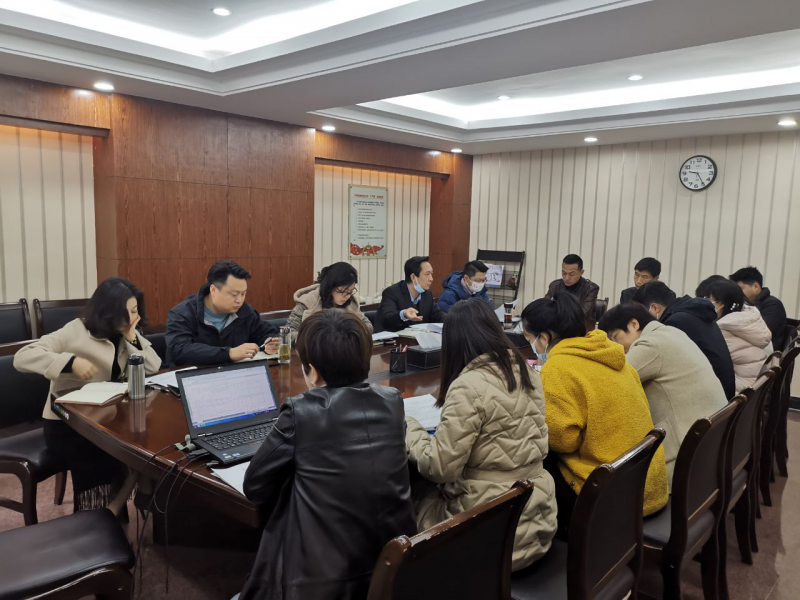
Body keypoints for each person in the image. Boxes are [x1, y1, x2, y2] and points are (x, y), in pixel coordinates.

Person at [240, 310, 415, 600]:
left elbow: (255, 487)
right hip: (392, 566)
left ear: (313, 371)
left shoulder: (301, 411)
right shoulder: (392, 401)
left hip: (322, 579)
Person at [405, 299, 557, 570]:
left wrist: (410, 429)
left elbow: (439, 468)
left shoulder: (468, 385)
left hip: (490, 534)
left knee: (407, 501)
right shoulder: (527, 373)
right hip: (536, 523)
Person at [521, 293, 668, 535]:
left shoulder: (558, 367)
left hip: (609, 494)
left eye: (529, 338)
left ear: (544, 338)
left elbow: (563, 441)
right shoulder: (613, 355)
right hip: (647, 484)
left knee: (532, 464)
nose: (532, 346)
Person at [14, 278, 161, 511]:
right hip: (69, 424)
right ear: (107, 311)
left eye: (135, 311)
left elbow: (153, 366)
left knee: (144, 445)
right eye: (126, 312)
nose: (132, 318)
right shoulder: (77, 330)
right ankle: (105, 512)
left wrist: (133, 338)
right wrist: (70, 362)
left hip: (109, 419)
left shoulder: (127, 334)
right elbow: (23, 356)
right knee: (114, 453)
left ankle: (121, 506)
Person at [599, 303, 728, 485]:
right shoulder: (672, 333)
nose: (615, 345)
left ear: (634, 324)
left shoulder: (651, 344)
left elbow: (609, 381)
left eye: (615, 337)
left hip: (686, 457)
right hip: (711, 444)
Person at [633, 281, 736, 399]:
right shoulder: (694, 312)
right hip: (723, 395)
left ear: (655, 308)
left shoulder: (675, 322)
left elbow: (660, 363)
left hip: (710, 398)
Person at [166, 260, 279, 366]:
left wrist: (270, 343)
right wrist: (229, 353)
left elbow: (266, 333)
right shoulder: (182, 313)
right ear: (213, 290)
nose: (239, 300)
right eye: (234, 294)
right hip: (192, 376)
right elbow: (179, 350)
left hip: (234, 374)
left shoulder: (244, 310)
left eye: (243, 294)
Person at [706, 279, 773, 393]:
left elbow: (710, 362)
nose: (706, 303)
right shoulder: (748, 318)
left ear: (722, 304)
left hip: (737, 392)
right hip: (752, 388)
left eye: (710, 299)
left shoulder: (723, 328)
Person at [287, 262, 372, 343]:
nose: (348, 296)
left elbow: (368, 326)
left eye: (351, 291)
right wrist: (319, 339)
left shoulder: (351, 303)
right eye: (343, 291)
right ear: (330, 287)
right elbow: (289, 332)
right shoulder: (308, 301)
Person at [377, 256, 445, 332]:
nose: (431, 279)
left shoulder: (427, 294)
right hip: (394, 337)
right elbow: (386, 319)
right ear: (413, 277)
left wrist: (452, 320)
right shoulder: (392, 292)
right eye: (427, 274)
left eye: (431, 274)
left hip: (418, 337)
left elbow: (437, 314)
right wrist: (403, 314)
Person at [730, 266, 788, 351]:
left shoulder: (773, 305)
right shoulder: (741, 304)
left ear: (756, 286)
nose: (736, 293)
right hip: (745, 349)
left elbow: (760, 333)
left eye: (740, 288)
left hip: (764, 354)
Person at [545, 254, 600, 333]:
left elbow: (582, 314)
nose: (566, 278)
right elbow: (545, 308)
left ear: (581, 272)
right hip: (556, 330)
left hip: (580, 332)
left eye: (571, 274)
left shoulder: (591, 289)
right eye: (564, 273)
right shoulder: (555, 286)